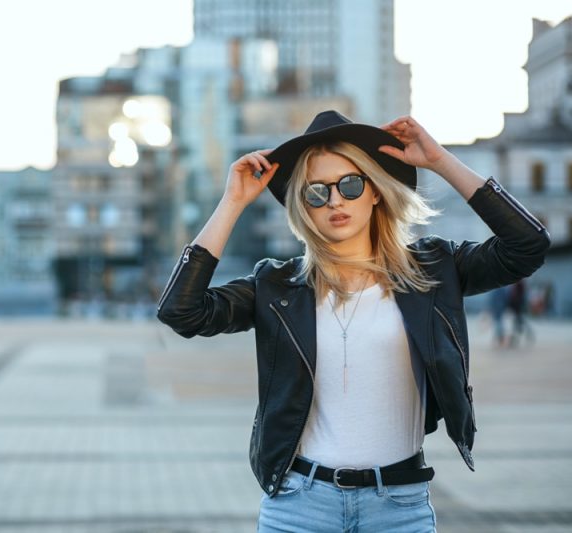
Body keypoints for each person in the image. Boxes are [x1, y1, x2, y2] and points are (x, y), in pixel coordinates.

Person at [156, 110, 550, 532]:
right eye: (317, 193)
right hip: (298, 507)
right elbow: (182, 310)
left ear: (375, 191)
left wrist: (440, 161)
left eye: (349, 184)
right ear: (303, 207)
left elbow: (527, 245)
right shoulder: (277, 286)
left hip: (399, 507)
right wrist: (232, 203)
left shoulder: (432, 270)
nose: (336, 201)